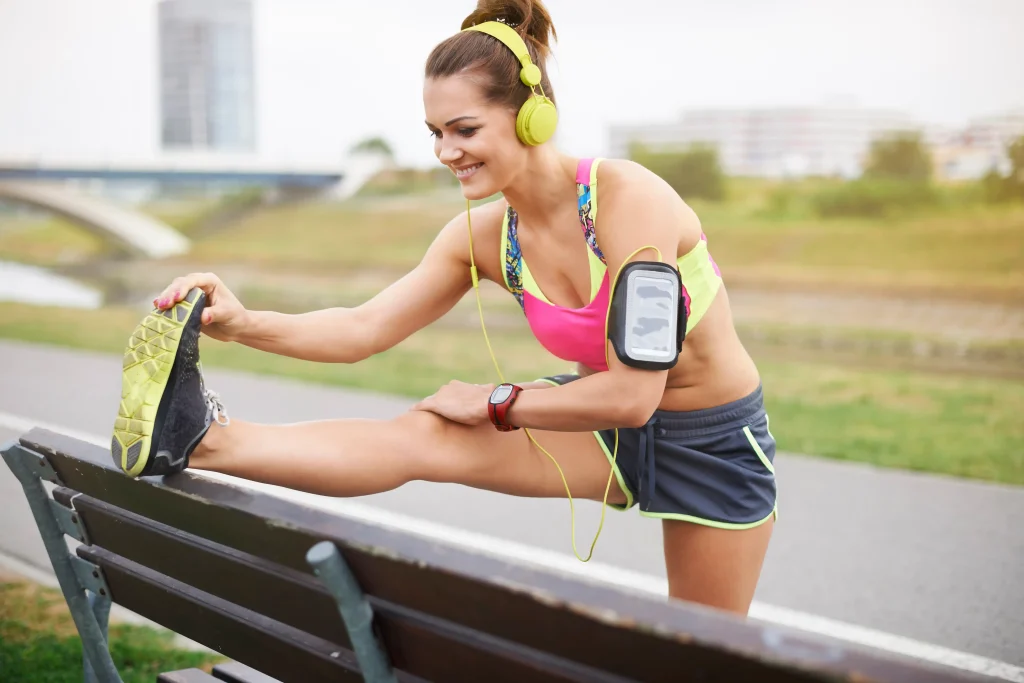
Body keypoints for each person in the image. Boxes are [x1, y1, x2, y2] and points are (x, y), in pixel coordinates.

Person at [111, 0, 777, 617]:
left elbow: (634, 394)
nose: (445, 152)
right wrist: (241, 322)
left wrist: (497, 401)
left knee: (702, 656)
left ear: (531, 115)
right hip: (599, 424)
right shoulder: (486, 236)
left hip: (712, 440)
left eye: (464, 129)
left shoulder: (629, 199)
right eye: (435, 132)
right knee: (424, 433)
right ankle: (203, 438)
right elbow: (362, 328)